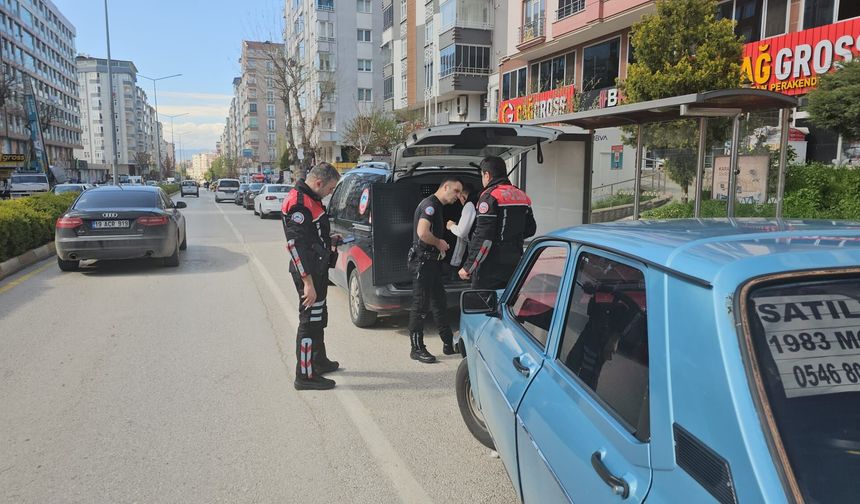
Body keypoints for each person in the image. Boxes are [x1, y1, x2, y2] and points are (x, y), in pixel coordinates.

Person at [282, 162, 342, 390]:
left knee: (318, 318)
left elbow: (311, 236)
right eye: (329, 189)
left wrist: (330, 241)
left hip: (318, 269)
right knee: (308, 323)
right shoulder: (299, 203)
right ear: (319, 183)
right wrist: (307, 283)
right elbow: (294, 245)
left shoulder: (312, 199)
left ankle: (318, 360)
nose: (329, 194)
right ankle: (305, 376)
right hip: (308, 274)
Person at [459, 156, 537, 290]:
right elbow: (531, 229)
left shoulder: (489, 196)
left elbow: (484, 237)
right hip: (515, 261)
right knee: (508, 302)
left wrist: (469, 267)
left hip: (491, 265)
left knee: (483, 305)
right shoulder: (521, 195)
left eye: (482, 175)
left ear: (487, 175)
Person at [408, 177, 463, 363]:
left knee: (440, 302)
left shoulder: (437, 205)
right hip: (423, 263)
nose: (458, 195)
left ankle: (448, 343)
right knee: (420, 305)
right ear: (445, 186)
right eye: (456, 191)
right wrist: (439, 242)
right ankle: (416, 348)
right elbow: (422, 233)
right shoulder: (430, 205)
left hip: (431, 263)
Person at [447, 184, 477, 268]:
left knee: (460, 236)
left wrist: (451, 226)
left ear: (462, 196)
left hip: (476, 244)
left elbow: (461, 232)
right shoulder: (479, 200)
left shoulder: (469, 204)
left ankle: (454, 266)